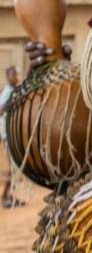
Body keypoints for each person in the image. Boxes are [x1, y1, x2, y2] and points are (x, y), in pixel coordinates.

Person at [0, 66, 25, 208]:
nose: (17, 76)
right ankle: (5, 196)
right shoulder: (7, 93)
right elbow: (1, 109)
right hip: (7, 134)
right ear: (8, 76)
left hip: (11, 134)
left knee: (15, 167)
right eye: (14, 74)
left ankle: (12, 196)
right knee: (13, 167)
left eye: (18, 73)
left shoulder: (13, 91)